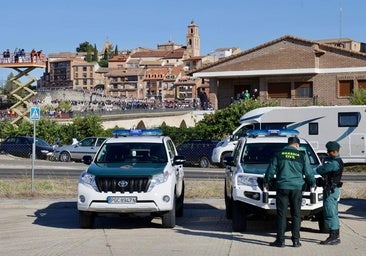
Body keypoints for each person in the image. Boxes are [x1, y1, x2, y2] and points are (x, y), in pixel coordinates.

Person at [264, 136, 316, 248]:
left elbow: (271, 170)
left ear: (288, 144)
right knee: (296, 214)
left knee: (281, 214)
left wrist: (266, 182)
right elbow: (308, 172)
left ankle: (280, 241)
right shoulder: (302, 155)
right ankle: (296, 241)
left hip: (282, 187)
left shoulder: (279, 154)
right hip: (297, 188)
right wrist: (312, 182)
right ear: (297, 145)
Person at [316, 141, 343, 245]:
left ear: (335, 151)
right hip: (333, 189)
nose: (328, 153)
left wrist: (319, 168)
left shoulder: (334, 163)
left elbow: (321, 170)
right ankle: (335, 235)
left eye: (329, 151)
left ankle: (334, 236)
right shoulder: (338, 161)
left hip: (330, 190)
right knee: (333, 213)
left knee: (330, 213)